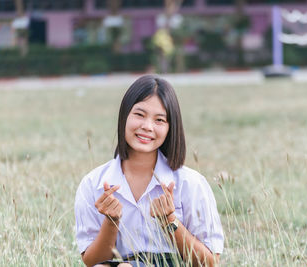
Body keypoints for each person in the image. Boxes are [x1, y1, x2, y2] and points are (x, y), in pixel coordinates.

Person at [75, 75, 224, 267]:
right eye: (139, 114)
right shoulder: (92, 184)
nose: (147, 126)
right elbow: (93, 262)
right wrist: (111, 222)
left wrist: (170, 221)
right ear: (124, 116)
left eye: (159, 120)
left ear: (170, 128)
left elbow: (210, 262)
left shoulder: (191, 183)